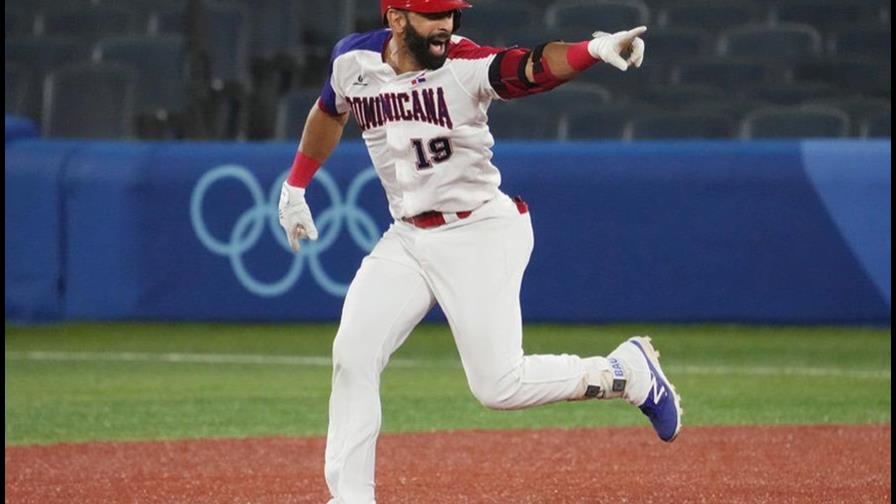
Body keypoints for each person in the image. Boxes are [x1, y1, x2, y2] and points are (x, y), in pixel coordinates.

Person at [278, 1, 681, 502]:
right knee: (353, 354)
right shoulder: (352, 61)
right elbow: (328, 112)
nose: (446, 24)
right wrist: (295, 186)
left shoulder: (463, 66)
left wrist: (592, 50)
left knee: (498, 386)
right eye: (432, 15)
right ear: (396, 18)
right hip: (407, 237)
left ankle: (624, 372)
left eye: (451, 13)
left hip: (479, 231)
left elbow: (529, 68)